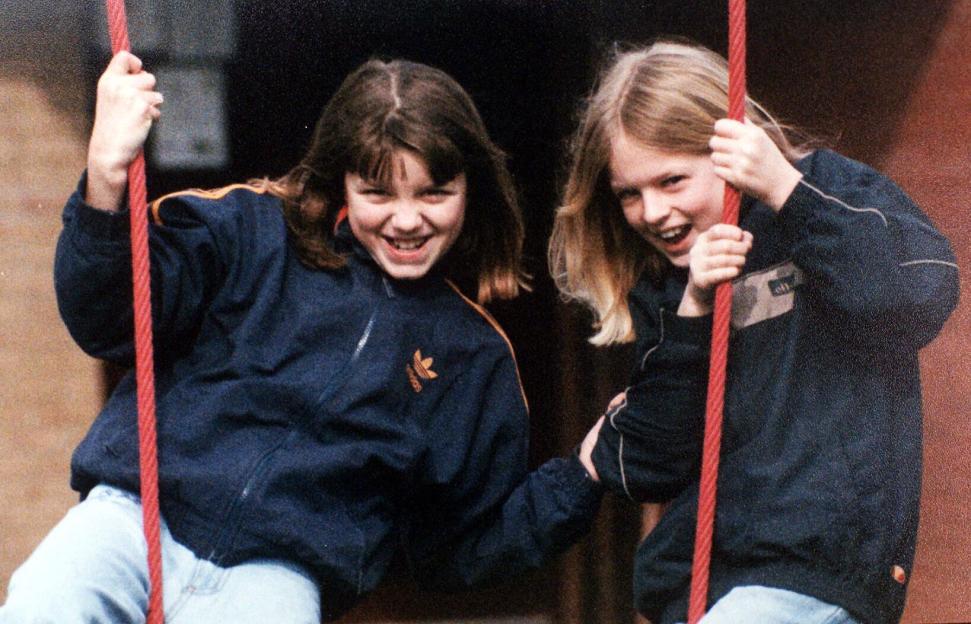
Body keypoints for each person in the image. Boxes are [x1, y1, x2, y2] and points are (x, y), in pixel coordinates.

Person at [0, 51, 604, 623]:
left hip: (278, 572)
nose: (406, 218)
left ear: (472, 189)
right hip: (134, 519)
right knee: (42, 602)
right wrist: (106, 174)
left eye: (434, 193)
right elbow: (106, 318)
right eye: (377, 192)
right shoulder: (247, 230)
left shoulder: (473, 356)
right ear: (342, 180)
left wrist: (582, 477)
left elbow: (462, 543)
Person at [548, 39, 959, 624]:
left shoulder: (822, 189)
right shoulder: (667, 282)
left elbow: (919, 295)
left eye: (671, 181)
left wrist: (784, 191)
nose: (653, 211)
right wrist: (692, 310)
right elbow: (651, 467)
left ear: (731, 150)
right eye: (629, 194)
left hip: (811, 567)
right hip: (702, 577)